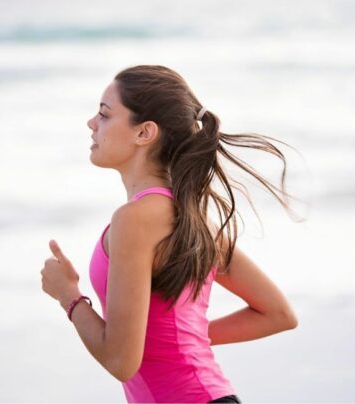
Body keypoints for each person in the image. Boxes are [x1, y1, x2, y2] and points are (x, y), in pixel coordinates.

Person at [40, 65, 300, 403]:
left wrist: (69, 297)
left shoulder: (134, 220)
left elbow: (121, 362)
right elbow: (277, 313)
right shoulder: (190, 217)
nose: (91, 123)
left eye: (104, 114)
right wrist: (182, 341)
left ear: (144, 133)